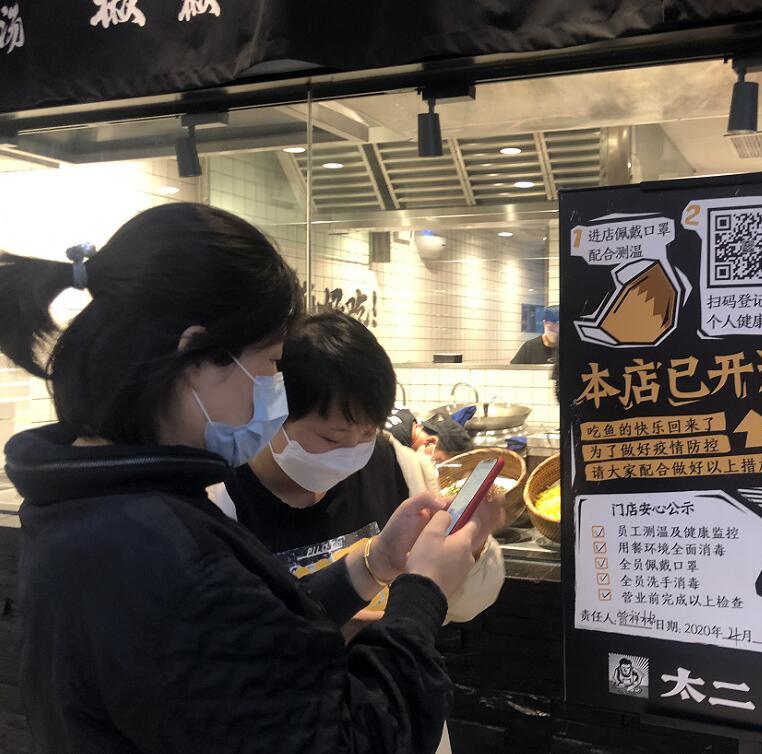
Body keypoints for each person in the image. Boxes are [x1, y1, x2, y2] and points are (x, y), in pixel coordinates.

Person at [1, 203, 494, 753]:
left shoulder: (87, 501)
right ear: (196, 354)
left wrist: (373, 564)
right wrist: (422, 592)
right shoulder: (164, 551)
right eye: (269, 362)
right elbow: (356, 740)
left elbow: (249, 649)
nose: (273, 388)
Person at [211, 311, 504, 627]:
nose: (351, 452)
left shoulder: (397, 465)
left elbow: (459, 606)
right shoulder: (219, 501)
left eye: (368, 433)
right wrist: (349, 629)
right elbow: (228, 637)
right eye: (332, 437)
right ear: (274, 414)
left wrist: (472, 549)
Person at [386, 407, 474, 464]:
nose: (432, 466)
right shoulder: (396, 442)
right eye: (437, 461)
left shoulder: (405, 414)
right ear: (430, 441)